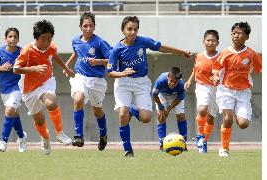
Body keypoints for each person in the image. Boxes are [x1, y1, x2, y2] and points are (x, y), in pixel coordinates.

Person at [107, 16, 192, 157]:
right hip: (123, 83)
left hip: (141, 83)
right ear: (123, 30)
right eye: (129, 29)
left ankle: (132, 109)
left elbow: (161, 47)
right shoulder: (117, 49)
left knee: (146, 118)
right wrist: (122, 73)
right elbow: (110, 73)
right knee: (123, 114)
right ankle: (128, 150)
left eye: (135, 29)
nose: (132, 32)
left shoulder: (142, 41)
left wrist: (181, 52)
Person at [13, 20, 75, 155]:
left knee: (51, 103)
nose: (47, 42)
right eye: (43, 39)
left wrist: (67, 68)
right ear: (36, 38)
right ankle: (45, 139)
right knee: (39, 120)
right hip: (28, 89)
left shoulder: (51, 47)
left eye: (49, 39)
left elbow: (55, 56)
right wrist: (34, 68)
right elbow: (16, 69)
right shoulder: (27, 50)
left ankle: (60, 133)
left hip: (46, 82)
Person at [211, 22, 262, 157]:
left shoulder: (251, 54)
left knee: (243, 124)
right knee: (227, 118)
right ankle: (224, 149)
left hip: (243, 92)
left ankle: (235, 112)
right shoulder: (226, 53)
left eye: (239, 33)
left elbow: (260, 68)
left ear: (247, 36)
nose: (236, 35)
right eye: (234, 33)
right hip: (225, 89)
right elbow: (216, 68)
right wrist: (215, 76)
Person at [64, 12, 111, 151]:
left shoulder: (100, 42)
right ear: (80, 27)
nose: (88, 28)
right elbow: (76, 52)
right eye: (85, 26)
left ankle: (103, 134)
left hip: (97, 80)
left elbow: (112, 60)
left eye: (91, 26)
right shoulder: (75, 40)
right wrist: (67, 65)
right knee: (78, 99)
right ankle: (79, 135)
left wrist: (98, 61)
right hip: (80, 76)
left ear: (94, 27)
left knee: (97, 111)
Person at [0, 27, 27, 153]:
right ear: (5, 39)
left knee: (10, 109)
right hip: (4, 88)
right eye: (10, 36)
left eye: (15, 37)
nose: (12, 39)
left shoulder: (22, 52)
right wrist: (1, 67)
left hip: (17, 86)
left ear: (18, 39)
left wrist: (18, 69)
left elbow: (28, 66)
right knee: (14, 113)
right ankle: (22, 137)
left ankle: (3, 141)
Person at [184, 30, 220, 153]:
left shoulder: (221, 57)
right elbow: (195, 69)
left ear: (217, 42)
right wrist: (189, 80)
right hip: (201, 85)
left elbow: (224, 73)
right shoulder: (199, 56)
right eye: (208, 40)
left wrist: (218, 78)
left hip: (216, 89)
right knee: (202, 109)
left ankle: (204, 140)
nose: (210, 42)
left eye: (213, 40)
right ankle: (200, 135)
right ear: (204, 42)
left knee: (211, 117)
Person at [152, 67, 188, 152]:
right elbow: (154, 95)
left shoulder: (180, 84)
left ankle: (183, 143)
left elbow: (179, 98)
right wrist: (161, 108)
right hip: (162, 96)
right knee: (161, 117)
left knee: (181, 116)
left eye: (175, 82)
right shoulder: (160, 81)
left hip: (175, 97)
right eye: (171, 81)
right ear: (168, 77)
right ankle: (162, 143)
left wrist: (168, 109)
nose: (172, 84)